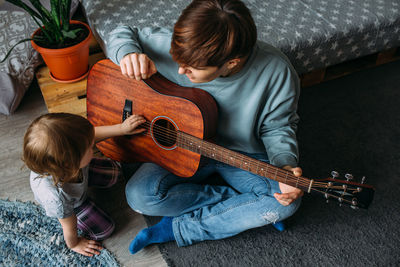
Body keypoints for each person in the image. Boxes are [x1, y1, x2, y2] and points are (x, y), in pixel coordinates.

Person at [107, 0, 303, 254]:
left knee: (285, 205)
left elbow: (278, 127)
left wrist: (284, 165)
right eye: (178, 59)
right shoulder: (183, 48)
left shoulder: (277, 71)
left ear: (231, 63)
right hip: (179, 145)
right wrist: (127, 52)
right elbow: (122, 31)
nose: (179, 69)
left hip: (241, 154)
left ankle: (178, 228)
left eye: (191, 69)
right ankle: (236, 205)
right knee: (139, 196)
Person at [23, 112, 145, 257]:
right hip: (73, 205)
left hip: (80, 176)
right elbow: (68, 225)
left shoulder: (71, 154)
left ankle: (87, 183)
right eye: (89, 147)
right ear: (71, 164)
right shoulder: (56, 199)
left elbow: (91, 135)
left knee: (115, 173)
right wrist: (74, 244)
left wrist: (121, 129)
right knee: (106, 229)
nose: (93, 145)